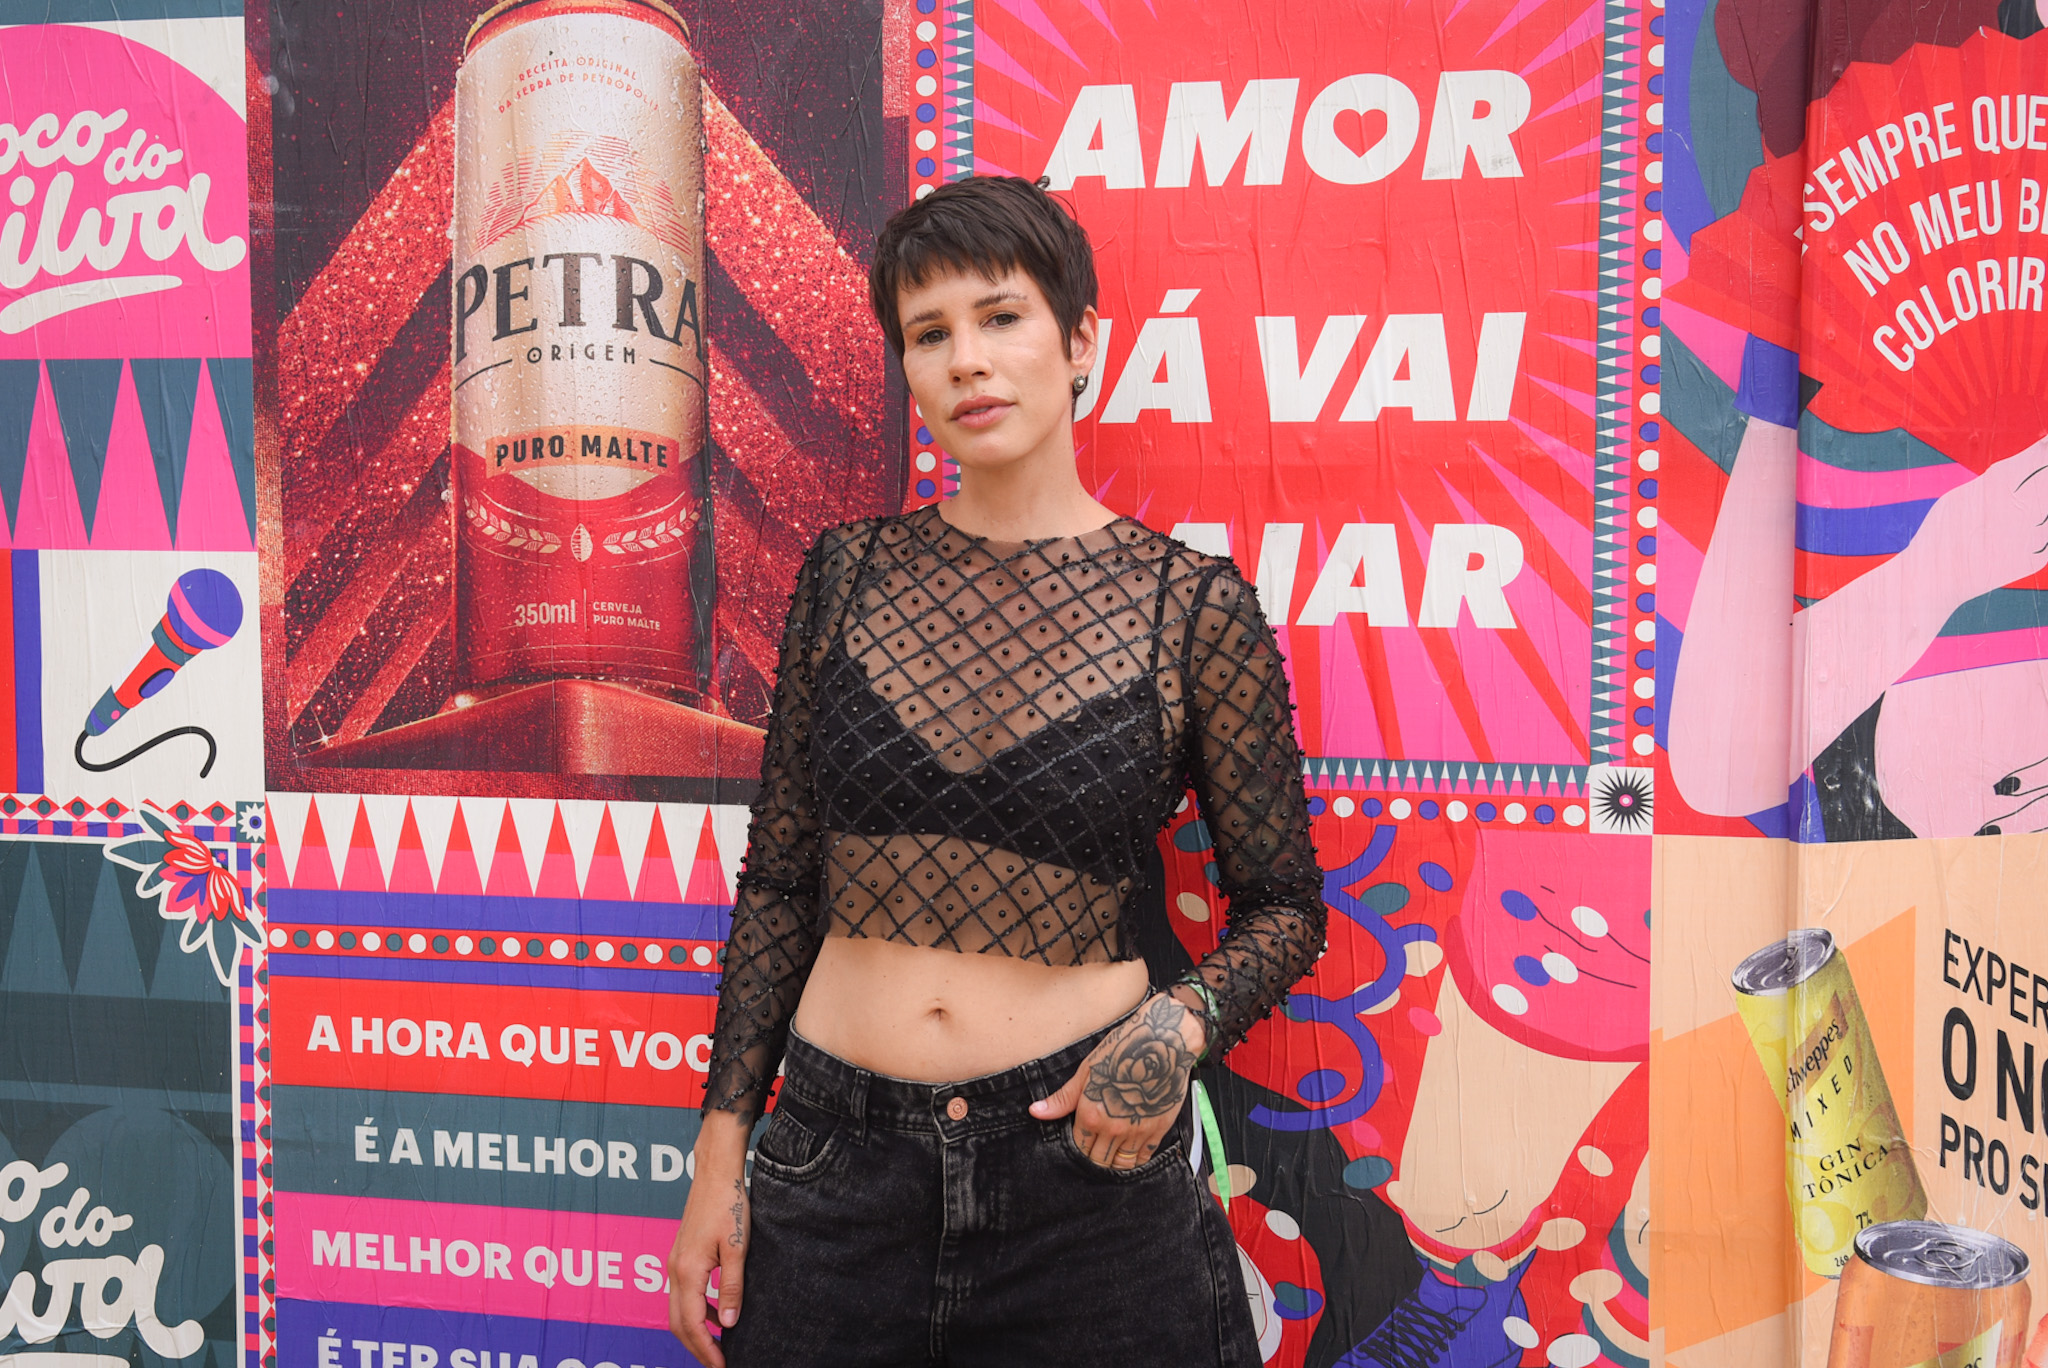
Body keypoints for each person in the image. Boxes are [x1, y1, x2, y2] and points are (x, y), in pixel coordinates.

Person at [664, 174, 1328, 1367]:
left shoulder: (1192, 609)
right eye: (928, 333)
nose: (966, 358)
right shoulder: (845, 577)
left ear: (1080, 343)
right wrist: (719, 1158)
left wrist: (1175, 1029)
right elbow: (779, 883)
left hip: (1084, 1172)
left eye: (1001, 316)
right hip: (833, 1166)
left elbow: (1281, 907)